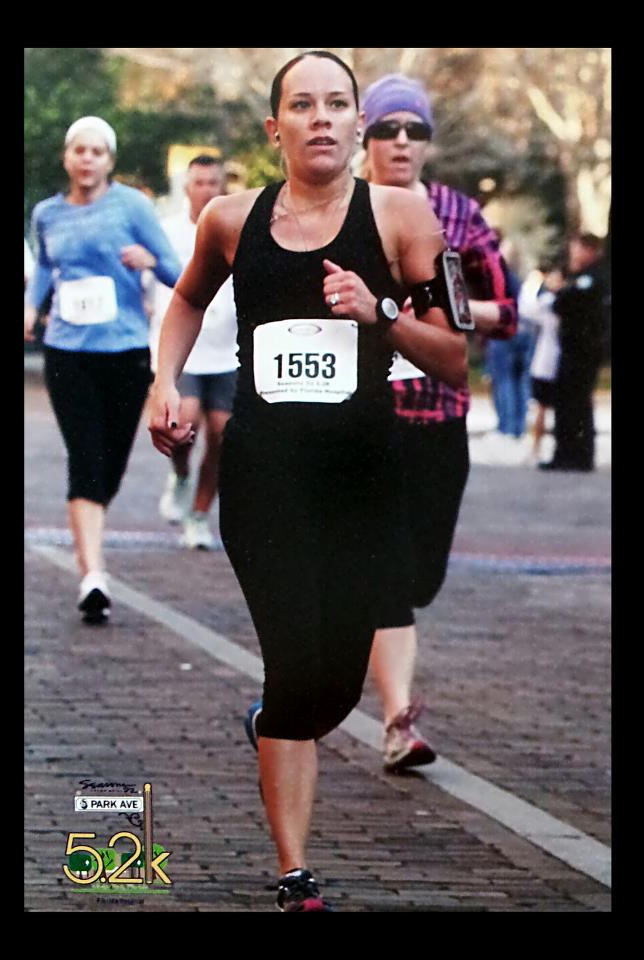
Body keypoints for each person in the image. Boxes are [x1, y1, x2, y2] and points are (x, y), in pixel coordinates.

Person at [149, 51, 467, 912]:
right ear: (275, 127)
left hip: (363, 477)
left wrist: (382, 312)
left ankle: (273, 723)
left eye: (336, 104)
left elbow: (453, 354)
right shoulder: (229, 218)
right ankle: (295, 874)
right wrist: (164, 381)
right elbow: (186, 301)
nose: (321, 118)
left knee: (333, 686)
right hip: (264, 479)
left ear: (356, 123)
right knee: (294, 668)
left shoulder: (401, 217)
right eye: (303, 105)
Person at [360, 73, 517, 772]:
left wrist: (440, 311)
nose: (401, 142)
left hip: (439, 412)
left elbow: (505, 312)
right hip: (364, 413)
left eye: (414, 130)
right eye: (386, 129)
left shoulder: (457, 213)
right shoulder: (343, 209)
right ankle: (398, 722)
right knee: (388, 570)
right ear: (365, 137)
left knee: (419, 575)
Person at [24, 116, 181, 623]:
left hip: (124, 350)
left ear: (109, 161)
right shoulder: (47, 214)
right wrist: (31, 305)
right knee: (86, 457)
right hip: (67, 351)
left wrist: (148, 261)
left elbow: (179, 272)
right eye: (79, 150)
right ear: (67, 158)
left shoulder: (132, 207)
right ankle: (93, 575)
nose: (87, 159)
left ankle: (90, 530)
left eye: (97, 151)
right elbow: (45, 266)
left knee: (109, 466)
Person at [149, 155, 239, 549]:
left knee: (222, 433)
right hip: (187, 350)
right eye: (199, 182)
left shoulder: (234, 227)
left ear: (223, 187)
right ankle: (181, 474)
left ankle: (200, 515)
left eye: (213, 183)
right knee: (184, 424)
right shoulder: (167, 231)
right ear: (186, 187)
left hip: (228, 351)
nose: (206, 190)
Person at [539, 233, 608, 472]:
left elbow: (567, 301)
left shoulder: (594, 277)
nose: (573, 254)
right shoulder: (576, 275)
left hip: (584, 349)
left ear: (590, 251)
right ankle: (565, 453)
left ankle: (579, 455)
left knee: (577, 402)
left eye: (578, 249)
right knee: (565, 400)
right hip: (570, 347)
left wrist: (559, 292)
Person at [483, 233, 534, 452]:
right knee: (519, 380)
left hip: (503, 330)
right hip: (522, 329)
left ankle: (507, 427)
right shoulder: (517, 275)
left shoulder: (497, 275)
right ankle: (518, 427)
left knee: (504, 380)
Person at [518, 262, 565, 464]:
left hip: (553, 359)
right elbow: (528, 310)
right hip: (547, 359)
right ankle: (537, 448)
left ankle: (551, 448)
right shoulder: (548, 301)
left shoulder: (554, 302)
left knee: (550, 407)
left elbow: (526, 308)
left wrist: (532, 284)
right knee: (542, 407)